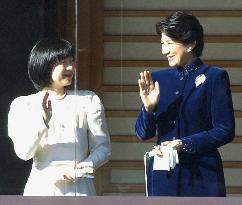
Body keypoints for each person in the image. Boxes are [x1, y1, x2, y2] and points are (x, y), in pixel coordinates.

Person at [135, 11, 235, 196]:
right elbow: (143, 133)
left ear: (190, 44)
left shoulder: (215, 77)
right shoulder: (157, 79)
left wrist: (184, 144)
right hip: (163, 177)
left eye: (169, 43)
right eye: (162, 44)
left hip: (203, 176)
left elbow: (225, 130)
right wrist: (149, 109)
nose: (164, 50)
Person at [8, 38, 111, 196]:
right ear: (45, 64)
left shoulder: (88, 100)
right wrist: (42, 122)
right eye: (63, 62)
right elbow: (23, 153)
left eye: (72, 61)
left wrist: (82, 168)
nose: (71, 67)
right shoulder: (23, 104)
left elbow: (103, 148)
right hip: (40, 189)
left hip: (79, 189)